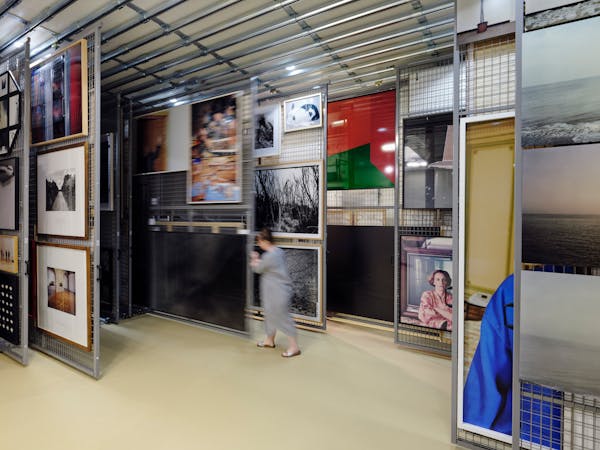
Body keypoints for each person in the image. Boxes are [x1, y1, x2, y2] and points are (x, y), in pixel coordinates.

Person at [463, 274, 514, 434]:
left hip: (515, 430)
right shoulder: (512, 290)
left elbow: (488, 375)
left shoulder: (514, 289)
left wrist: (471, 430)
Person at [250, 228, 301, 358]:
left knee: (282, 317)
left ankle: (294, 347)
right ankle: (269, 340)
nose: (259, 244)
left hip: (278, 292)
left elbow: (258, 269)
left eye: (259, 241)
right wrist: (259, 261)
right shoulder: (278, 251)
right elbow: (268, 266)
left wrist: (254, 258)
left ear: (265, 241)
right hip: (274, 292)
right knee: (270, 315)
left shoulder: (269, 256)